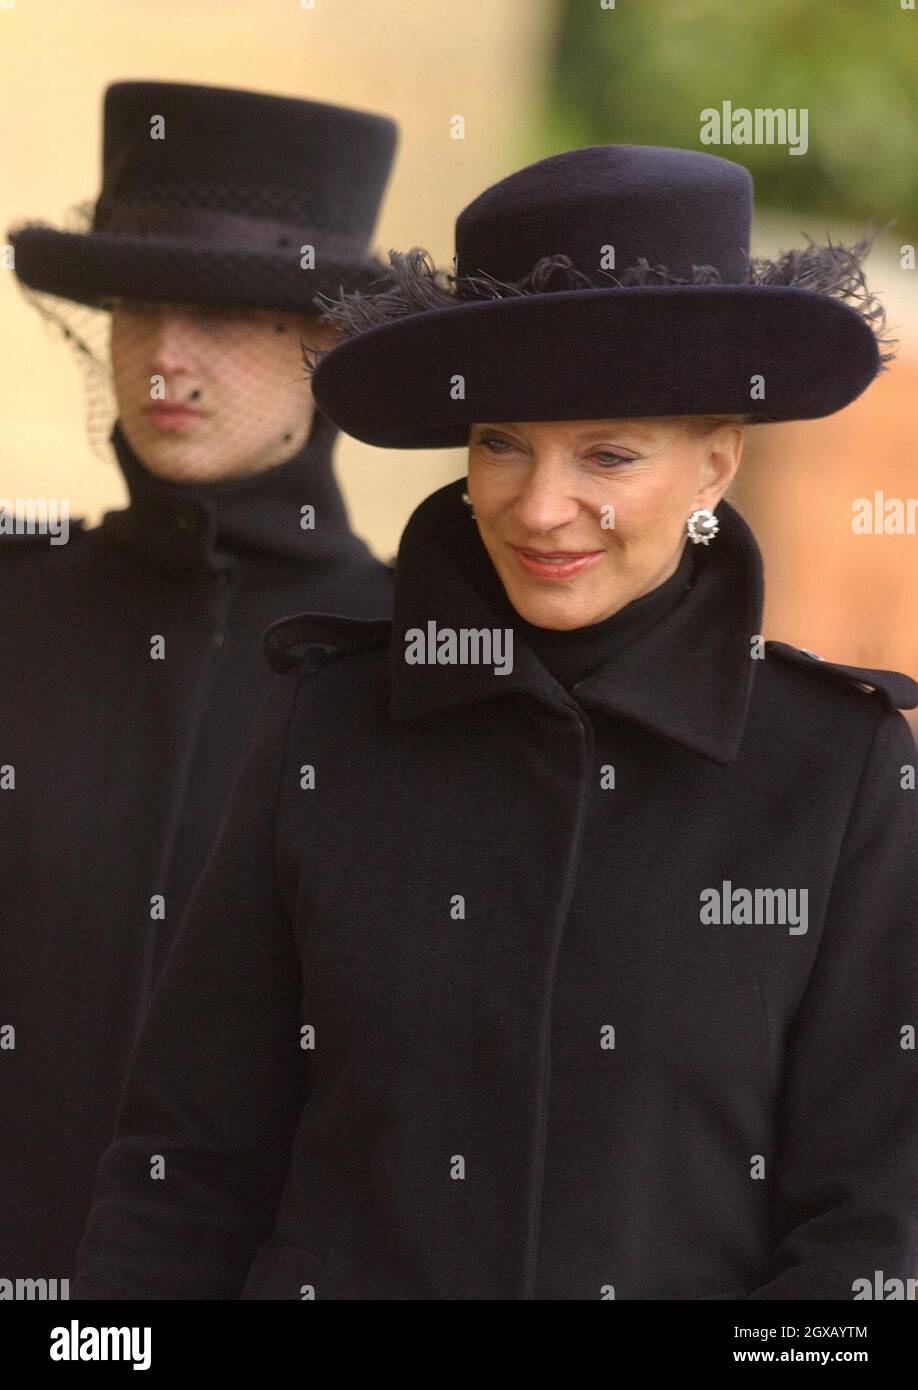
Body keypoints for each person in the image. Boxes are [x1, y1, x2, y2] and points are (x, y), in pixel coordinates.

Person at [73, 145, 918, 1300]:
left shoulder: (840, 768)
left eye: (607, 454)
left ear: (716, 463)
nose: (540, 506)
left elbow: (874, 1231)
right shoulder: (324, 723)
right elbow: (184, 1169)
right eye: (501, 444)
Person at [0, 79, 398, 1283]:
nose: (165, 357)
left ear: (325, 337)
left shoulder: (413, 654)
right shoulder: (18, 597)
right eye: (137, 307)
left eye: (224, 314)